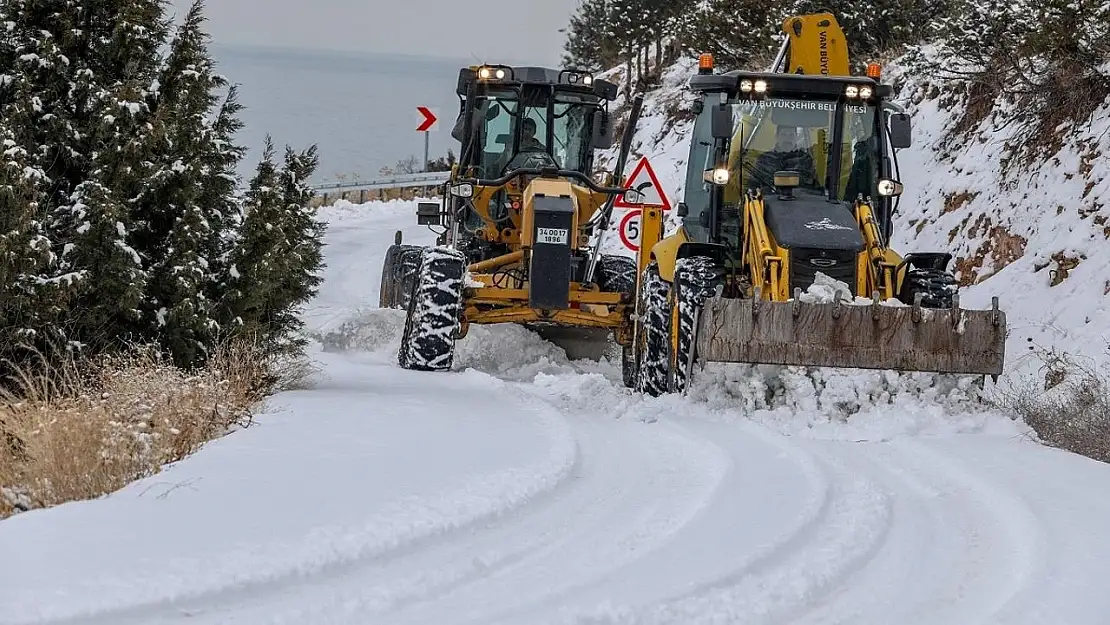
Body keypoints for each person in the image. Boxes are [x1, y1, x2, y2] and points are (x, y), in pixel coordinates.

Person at [749, 125, 817, 191]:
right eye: (784, 135)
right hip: (769, 199)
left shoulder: (805, 159)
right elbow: (754, 184)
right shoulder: (765, 159)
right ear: (777, 136)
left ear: (796, 137)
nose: (787, 139)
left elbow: (811, 186)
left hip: (801, 199)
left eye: (791, 135)